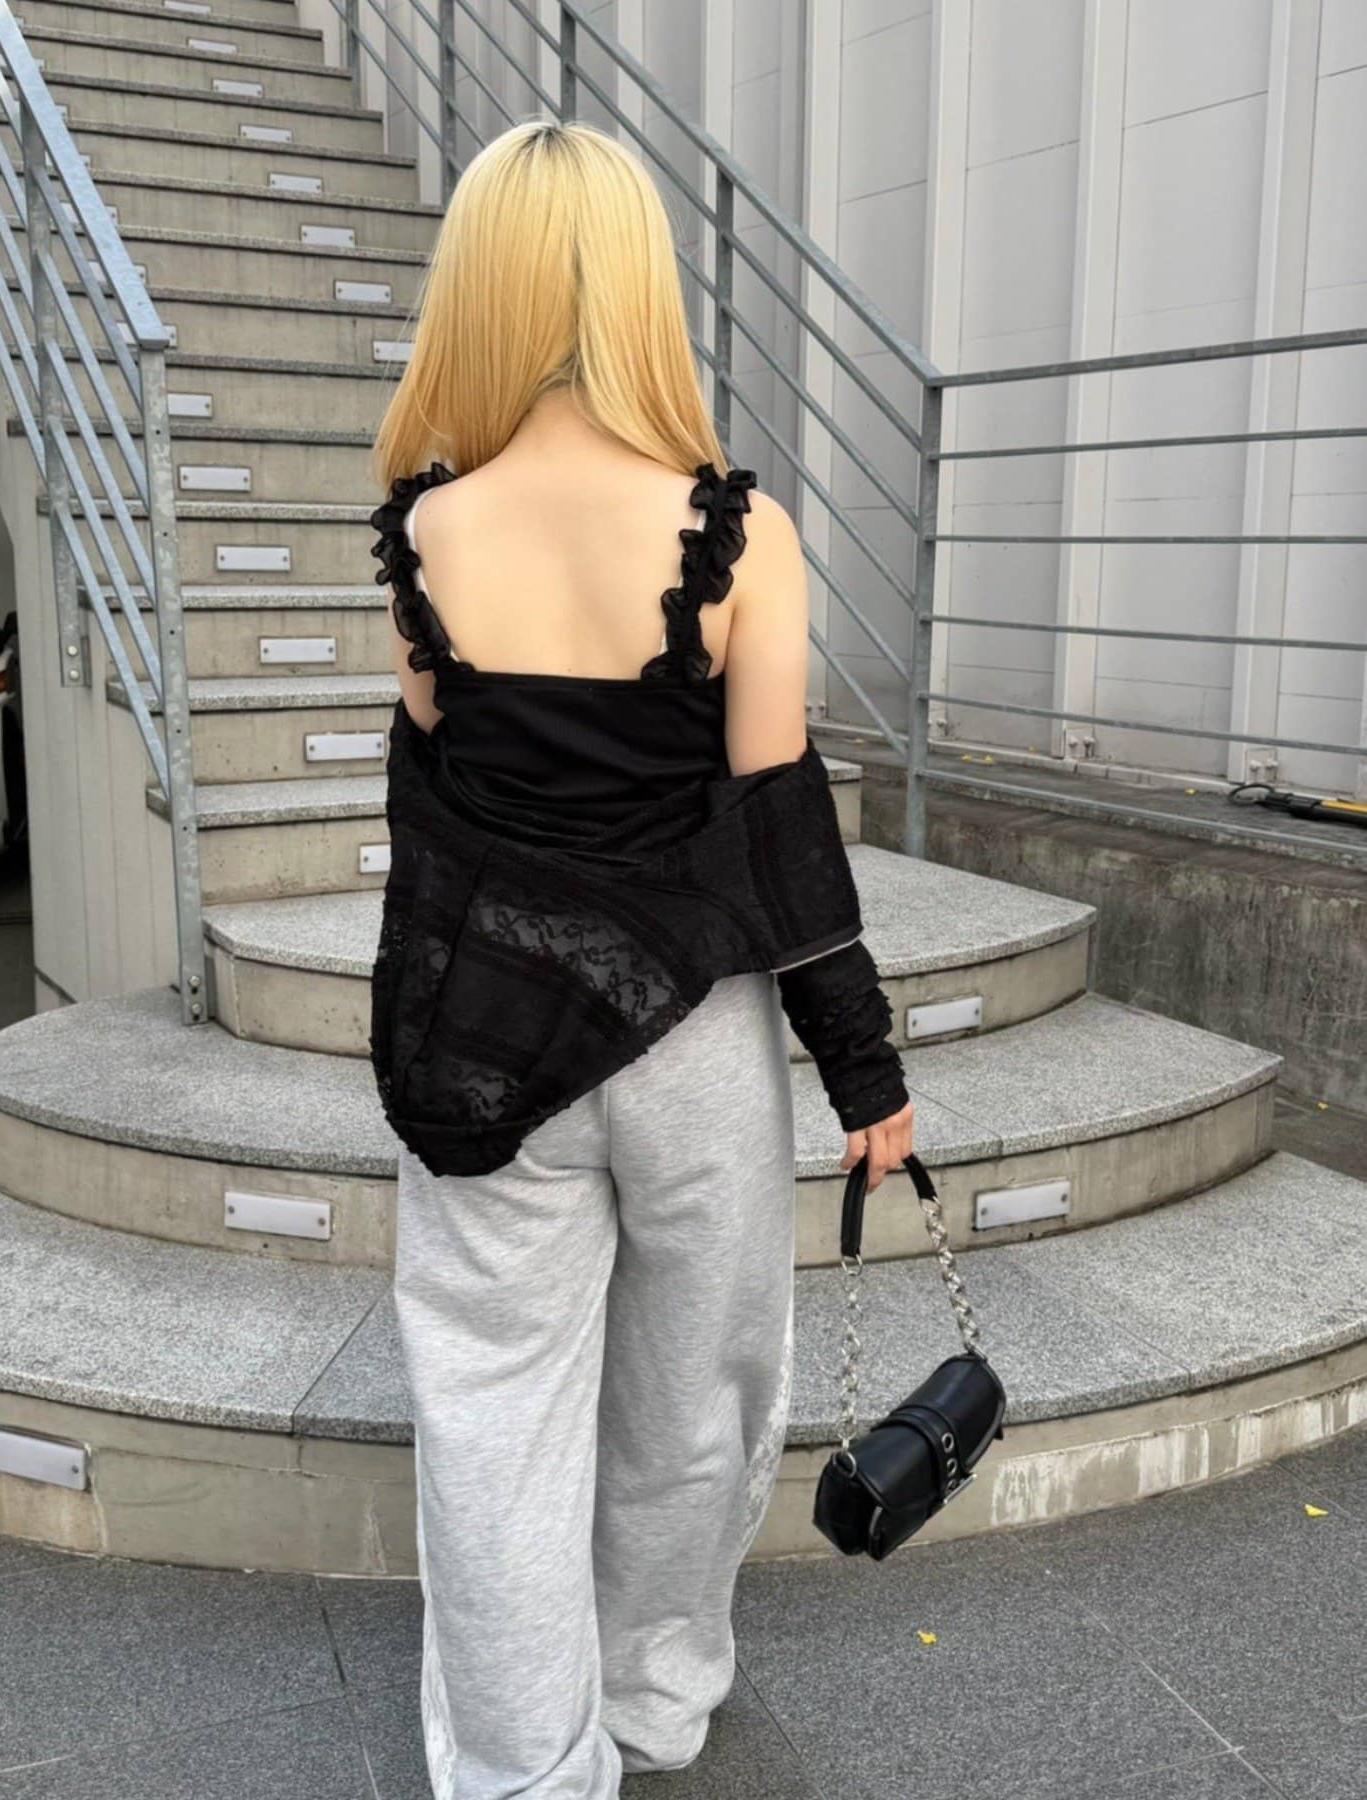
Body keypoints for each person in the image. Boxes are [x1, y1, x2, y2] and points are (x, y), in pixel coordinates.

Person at [366, 118, 914, 1800]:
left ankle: (525, 1769)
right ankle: (658, 1700)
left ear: (482, 287)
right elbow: (780, 828)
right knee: (697, 1398)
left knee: (492, 1412)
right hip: (691, 1045)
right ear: (635, 288)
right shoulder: (739, 533)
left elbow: (431, 831)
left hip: (491, 1037)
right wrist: (865, 1073)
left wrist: (425, 1046)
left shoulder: (422, 535)